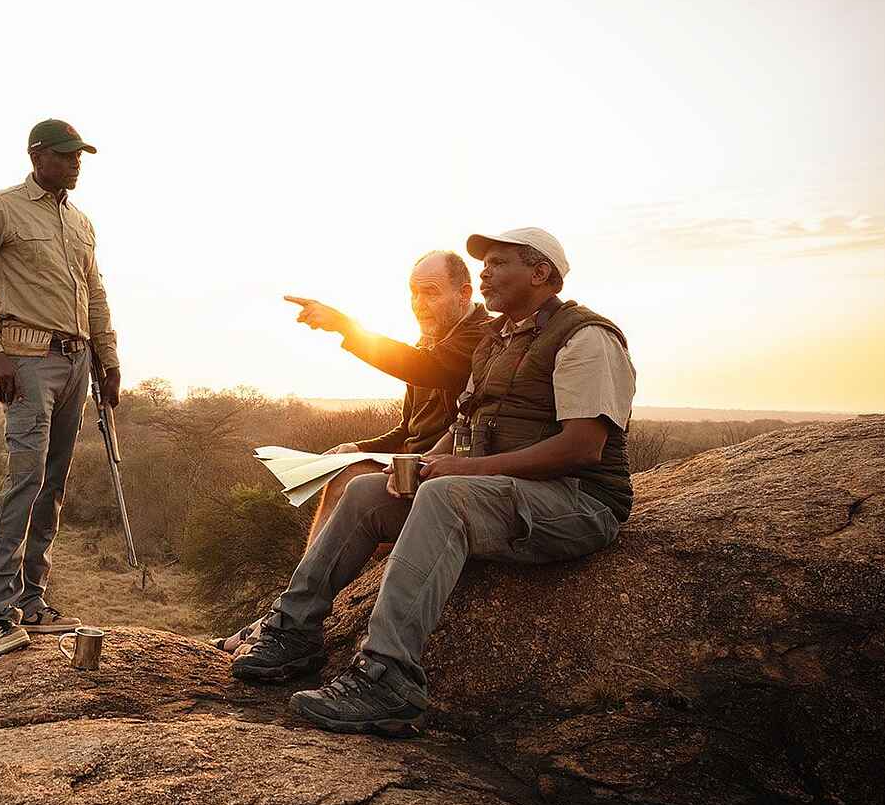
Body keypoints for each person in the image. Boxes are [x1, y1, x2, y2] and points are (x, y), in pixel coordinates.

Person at [230, 227, 636, 737]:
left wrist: (459, 471)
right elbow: (461, 424)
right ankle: (294, 630)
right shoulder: (496, 339)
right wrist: (422, 464)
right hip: (503, 493)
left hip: (577, 502)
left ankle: (387, 678)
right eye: (483, 263)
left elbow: (582, 448)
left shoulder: (586, 337)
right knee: (365, 490)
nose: (485, 272)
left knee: (446, 495)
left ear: (541, 273)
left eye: (499, 262)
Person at [214, 251, 489, 662]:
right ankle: (286, 614)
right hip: (410, 469)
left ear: (464, 293)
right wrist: (360, 446)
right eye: (413, 293)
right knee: (346, 467)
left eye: (430, 293)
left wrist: (347, 327)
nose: (419, 304)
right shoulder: (430, 342)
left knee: (351, 481)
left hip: (444, 475)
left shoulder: (479, 338)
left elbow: (429, 370)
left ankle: (288, 622)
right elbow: (407, 431)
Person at [0, 119, 122, 658]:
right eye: (66, 155)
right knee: (25, 478)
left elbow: (94, 291)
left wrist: (108, 358)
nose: (76, 163)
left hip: (78, 363)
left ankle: (32, 600)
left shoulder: (82, 221)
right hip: (26, 360)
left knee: (54, 484)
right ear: (37, 154)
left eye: (79, 156)